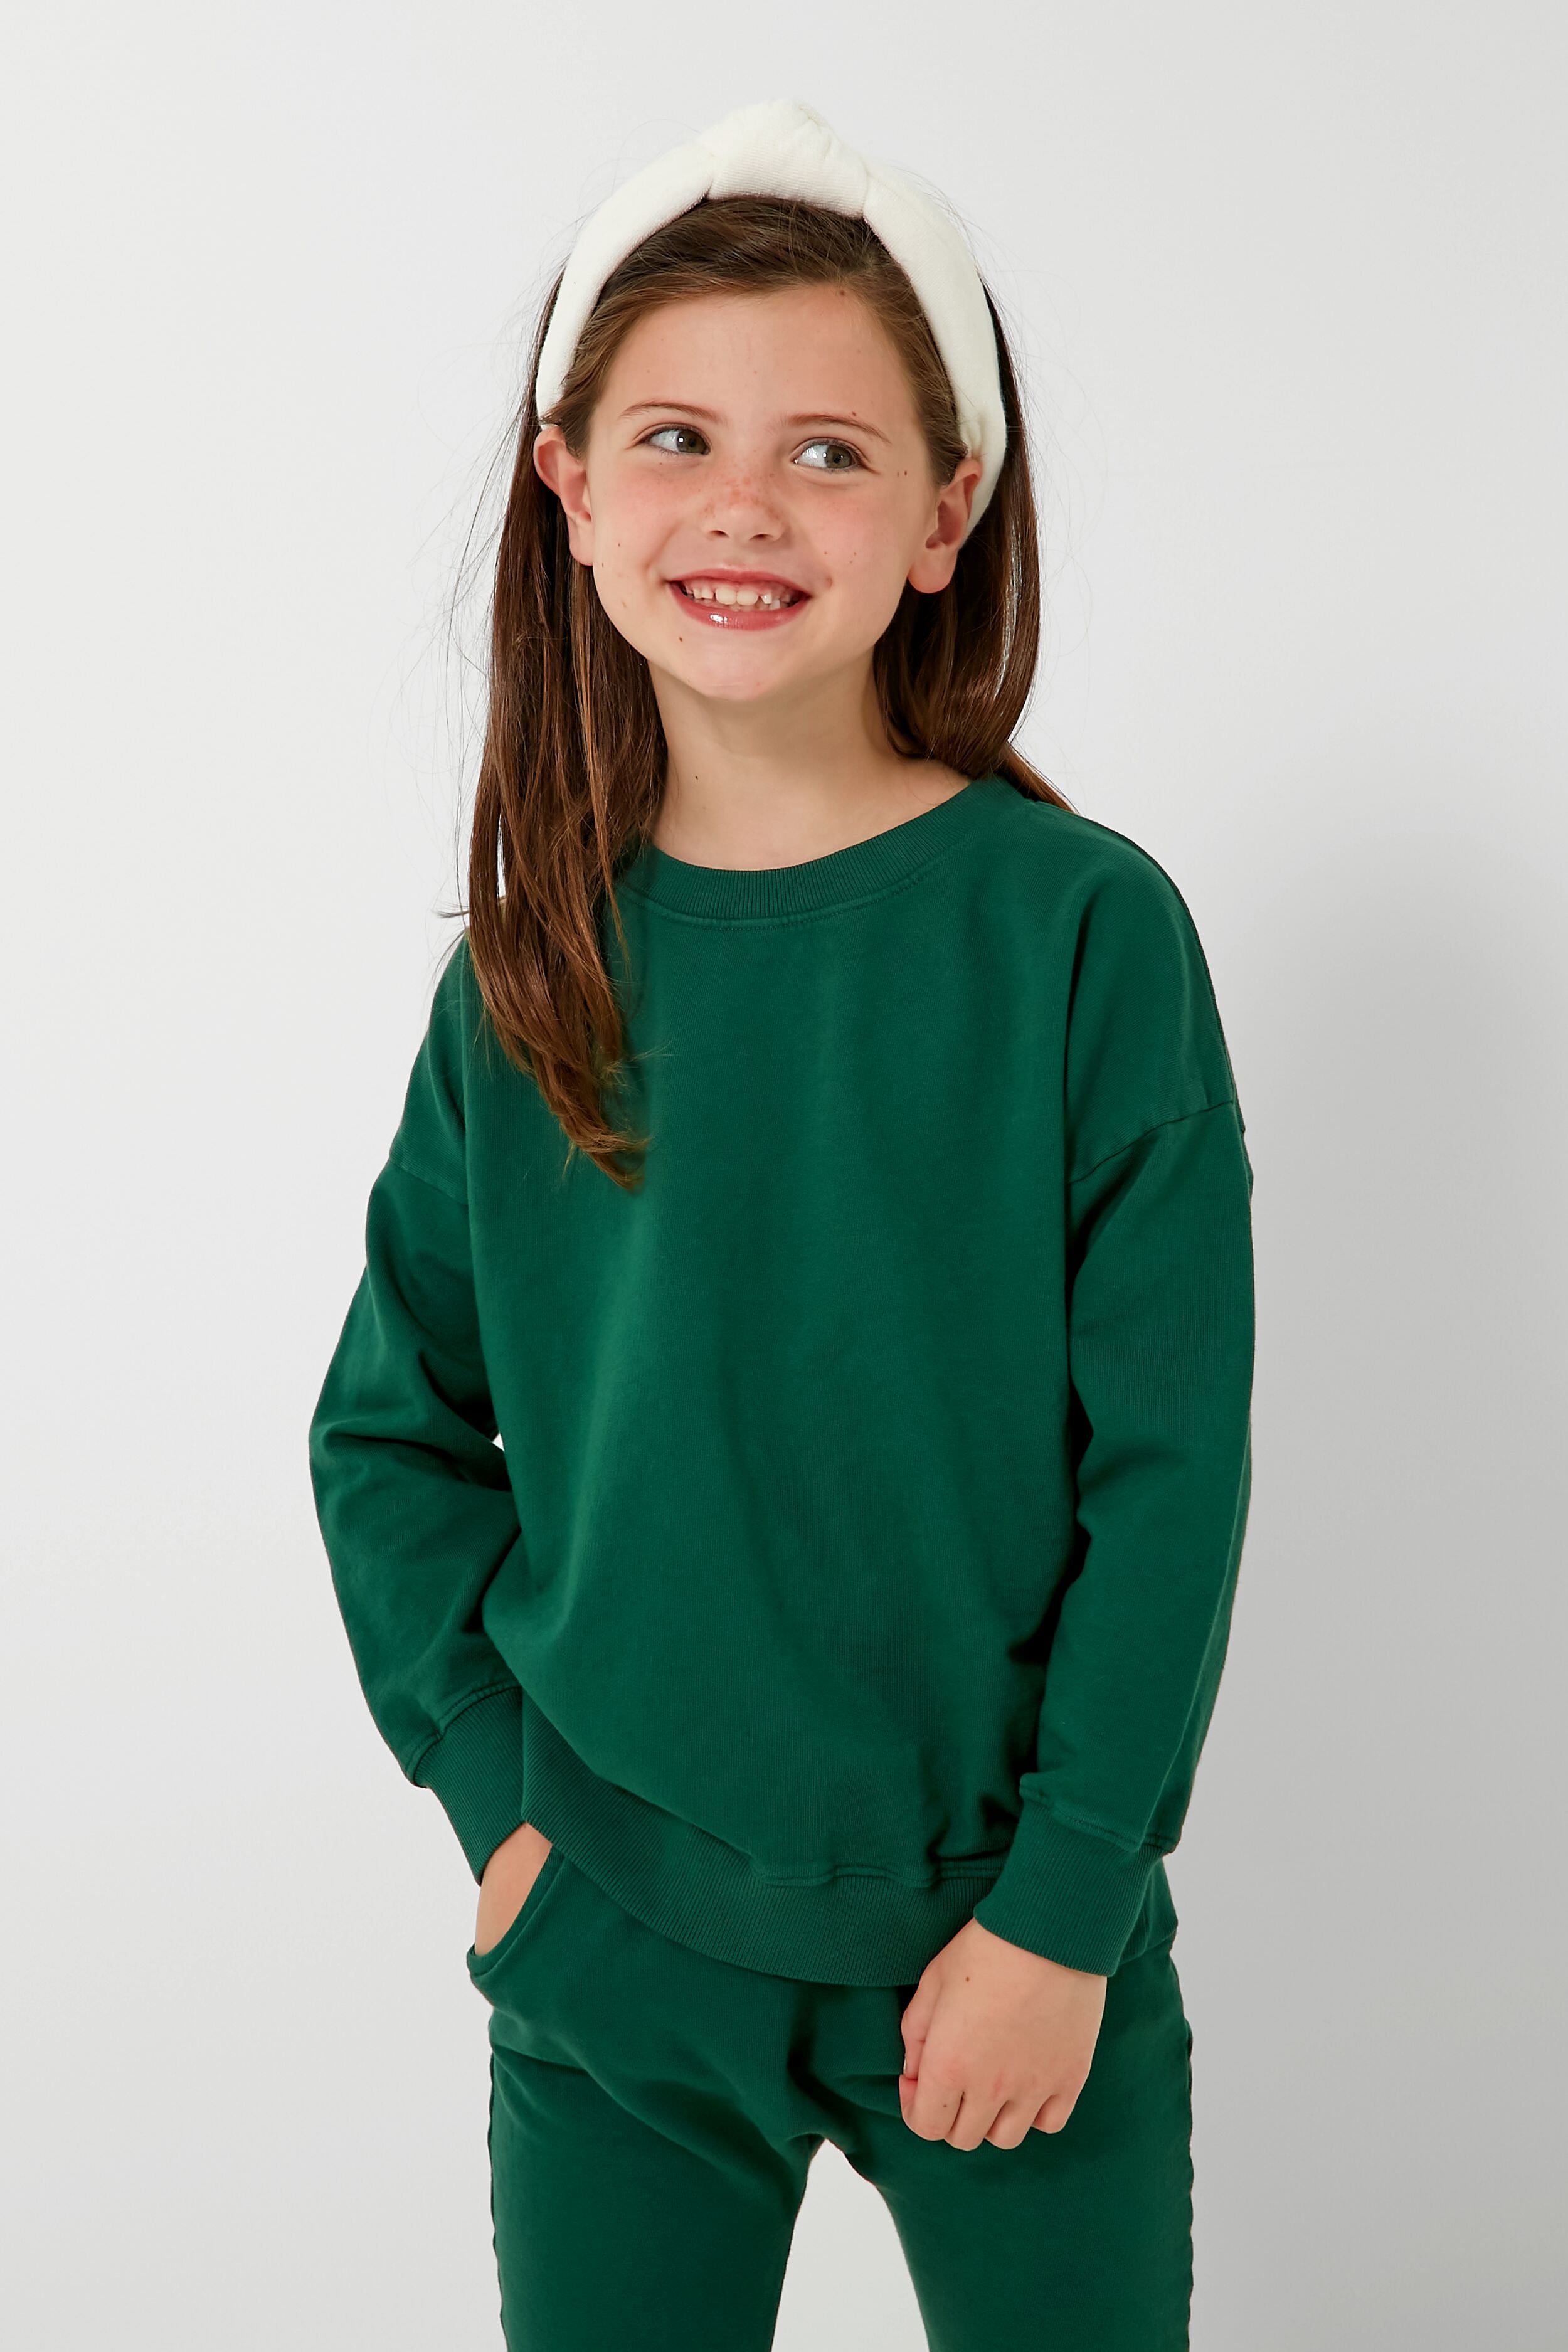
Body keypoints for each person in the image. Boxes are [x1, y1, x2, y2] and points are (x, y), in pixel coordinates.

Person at [308, 97, 1255, 2352]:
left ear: (944, 517)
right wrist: (504, 1815)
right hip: (615, 1940)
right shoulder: (526, 973)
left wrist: (1062, 1908)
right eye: (677, 438)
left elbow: (1167, 1474)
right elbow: (391, 1438)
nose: (742, 503)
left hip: (1008, 1953)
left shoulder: (1077, 935)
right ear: (570, 493)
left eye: (827, 451)